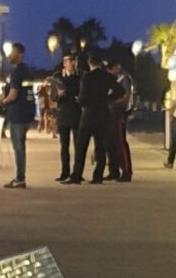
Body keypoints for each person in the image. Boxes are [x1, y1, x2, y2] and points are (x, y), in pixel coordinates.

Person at [62, 50, 124, 185]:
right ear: (101, 62)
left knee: (81, 145)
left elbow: (83, 97)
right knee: (100, 145)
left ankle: (77, 174)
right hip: (103, 112)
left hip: (89, 113)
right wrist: (107, 99)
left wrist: (80, 101)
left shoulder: (87, 77)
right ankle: (98, 175)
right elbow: (120, 91)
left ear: (89, 62)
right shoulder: (106, 76)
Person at [0, 43, 36, 189]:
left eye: (13, 52)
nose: (10, 55)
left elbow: (13, 95)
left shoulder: (16, 73)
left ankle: (20, 178)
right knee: (21, 146)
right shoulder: (27, 71)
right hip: (27, 113)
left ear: (19, 53)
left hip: (17, 114)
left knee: (18, 147)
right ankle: (20, 177)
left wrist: (3, 101)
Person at [50, 54, 81, 181]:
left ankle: (77, 172)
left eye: (73, 61)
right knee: (64, 145)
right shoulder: (58, 77)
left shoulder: (80, 76)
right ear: (64, 63)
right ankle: (65, 172)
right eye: (69, 61)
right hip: (63, 113)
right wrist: (59, 95)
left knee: (78, 145)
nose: (72, 63)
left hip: (77, 113)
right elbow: (53, 97)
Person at [105, 61, 133, 182]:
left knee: (120, 142)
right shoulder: (114, 80)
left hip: (119, 114)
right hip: (111, 114)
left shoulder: (124, 79)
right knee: (110, 143)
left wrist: (111, 102)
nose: (110, 73)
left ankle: (126, 171)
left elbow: (126, 97)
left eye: (111, 69)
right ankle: (113, 170)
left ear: (117, 67)